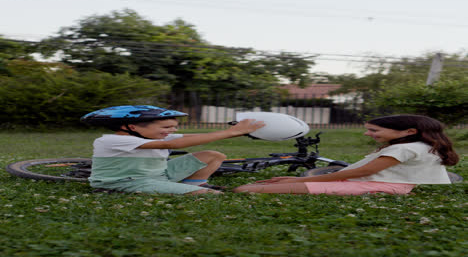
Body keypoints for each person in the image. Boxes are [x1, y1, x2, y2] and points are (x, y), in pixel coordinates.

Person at [233, 114, 459, 195]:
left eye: (374, 130)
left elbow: (363, 172)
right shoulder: (419, 144)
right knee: (263, 185)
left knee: (245, 189)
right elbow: (359, 172)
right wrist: (297, 179)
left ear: (409, 131)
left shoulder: (404, 148)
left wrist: (300, 179)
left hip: (378, 186)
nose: (367, 133)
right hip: (377, 183)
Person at [80, 105, 265, 195]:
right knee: (211, 196)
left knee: (213, 155)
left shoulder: (156, 136)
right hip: (128, 182)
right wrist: (229, 132)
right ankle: (194, 190)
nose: (172, 131)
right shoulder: (112, 140)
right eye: (167, 127)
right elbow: (174, 145)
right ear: (133, 127)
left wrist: (236, 132)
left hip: (160, 175)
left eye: (174, 127)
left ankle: (194, 184)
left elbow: (194, 138)